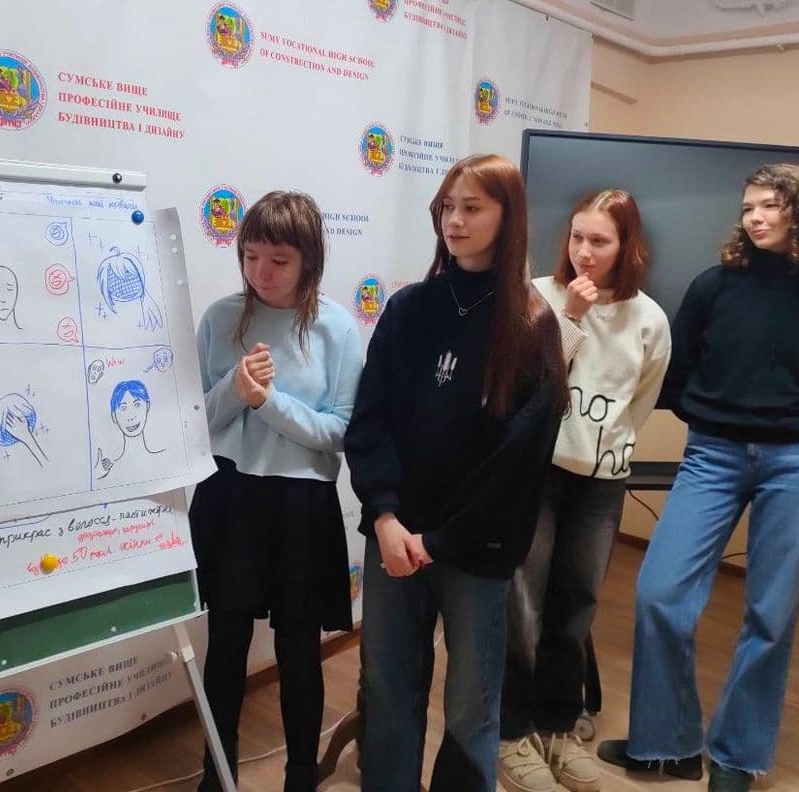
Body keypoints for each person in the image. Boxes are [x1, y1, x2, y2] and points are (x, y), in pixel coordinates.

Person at [597, 164, 799, 792]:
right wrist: (716, 420)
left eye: (771, 205)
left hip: (795, 464)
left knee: (770, 615)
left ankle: (738, 758)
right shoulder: (713, 286)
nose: (756, 217)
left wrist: (791, 429)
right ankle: (667, 747)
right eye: (748, 207)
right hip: (711, 457)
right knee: (660, 593)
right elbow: (677, 371)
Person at [345, 154, 567, 791]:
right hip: (395, 538)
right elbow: (370, 419)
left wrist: (440, 541)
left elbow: (517, 465)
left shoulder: (531, 325)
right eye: (448, 206)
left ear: (508, 217)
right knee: (388, 687)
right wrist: (385, 515)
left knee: (472, 706)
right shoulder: (408, 309)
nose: (455, 220)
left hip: (476, 549)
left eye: (472, 208)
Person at [190, 190, 363, 791]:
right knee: (225, 647)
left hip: (301, 506)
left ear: (308, 260)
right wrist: (234, 391)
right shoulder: (219, 319)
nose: (261, 273)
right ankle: (216, 775)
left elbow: (341, 433)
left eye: (279, 260)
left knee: (298, 649)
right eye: (250, 256)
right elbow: (193, 425)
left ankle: (300, 777)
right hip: (230, 496)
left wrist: (268, 402)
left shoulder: (336, 327)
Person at [498, 189, 671, 792]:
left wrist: (602, 445)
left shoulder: (649, 319)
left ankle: (557, 727)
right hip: (538, 475)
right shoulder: (538, 296)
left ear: (627, 246)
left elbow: (639, 403)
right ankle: (512, 733)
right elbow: (528, 386)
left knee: (576, 607)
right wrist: (569, 317)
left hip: (601, 482)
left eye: (600, 241)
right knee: (524, 606)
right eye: (577, 237)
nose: (584, 252)